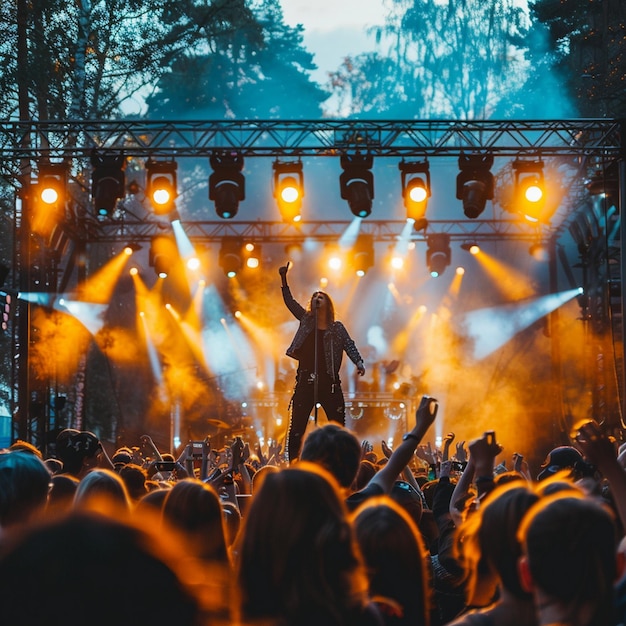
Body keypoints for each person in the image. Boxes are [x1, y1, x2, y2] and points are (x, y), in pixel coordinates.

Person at [279, 262, 365, 461]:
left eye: (321, 297)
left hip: (330, 384)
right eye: (315, 297)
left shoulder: (337, 328)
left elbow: (349, 344)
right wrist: (283, 279)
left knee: (338, 427)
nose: (317, 299)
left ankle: (340, 463)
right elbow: (290, 302)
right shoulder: (306, 320)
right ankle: (294, 464)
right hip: (305, 383)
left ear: (327, 303)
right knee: (297, 427)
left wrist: (358, 362)